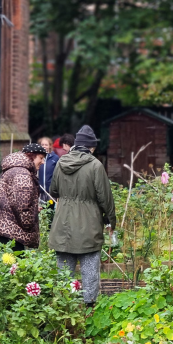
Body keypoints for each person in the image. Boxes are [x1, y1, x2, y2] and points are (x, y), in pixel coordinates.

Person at [48, 125, 116, 308]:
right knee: (89, 272)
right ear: (91, 148)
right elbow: (105, 198)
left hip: (63, 225)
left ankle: (63, 311)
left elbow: (53, 190)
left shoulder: (61, 163)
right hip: (89, 226)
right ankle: (89, 311)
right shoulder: (95, 166)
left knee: (64, 273)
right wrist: (111, 220)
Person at [0, 143, 47, 251]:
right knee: (15, 265)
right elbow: (23, 206)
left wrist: (34, 209)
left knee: (4, 264)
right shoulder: (22, 173)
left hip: (4, 227)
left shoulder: (15, 169)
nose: (43, 162)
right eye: (40, 158)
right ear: (31, 155)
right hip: (11, 230)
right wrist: (30, 221)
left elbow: (16, 201)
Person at [37, 137, 60, 202]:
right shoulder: (37, 157)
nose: (44, 146)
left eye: (46, 145)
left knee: (51, 211)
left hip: (51, 193)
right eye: (42, 145)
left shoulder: (55, 158)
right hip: (40, 192)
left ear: (50, 146)